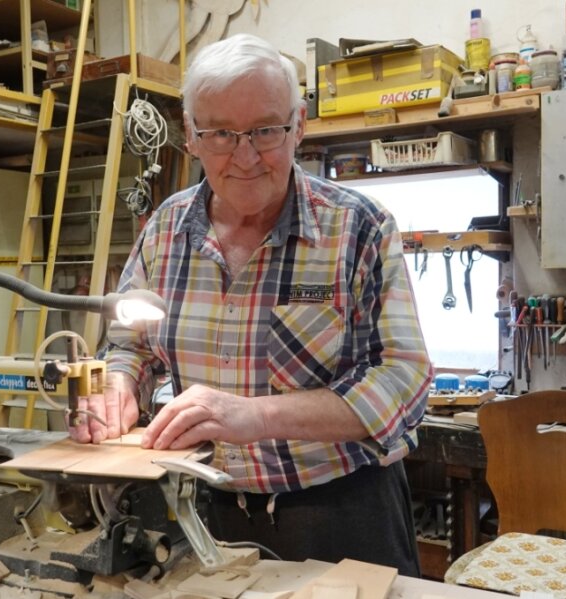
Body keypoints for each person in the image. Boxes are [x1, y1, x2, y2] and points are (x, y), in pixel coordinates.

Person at [71, 33, 433, 576]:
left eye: (265, 130)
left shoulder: (358, 227)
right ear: (190, 135)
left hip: (340, 515)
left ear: (299, 125)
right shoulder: (165, 230)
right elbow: (129, 346)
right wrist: (116, 388)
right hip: (204, 513)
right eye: (220, 133)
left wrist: (256, 415)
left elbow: (404, 382)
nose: (245, 156)